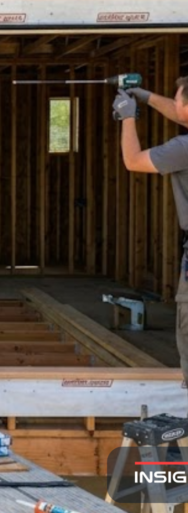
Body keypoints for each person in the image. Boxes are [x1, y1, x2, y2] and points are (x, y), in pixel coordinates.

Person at [116, 79, 188, 400]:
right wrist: (145, 97)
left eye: (177, 99)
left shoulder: (183, 148)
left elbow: (133, 161)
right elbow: (179, 111)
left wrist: (127, 117)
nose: (173, 103)